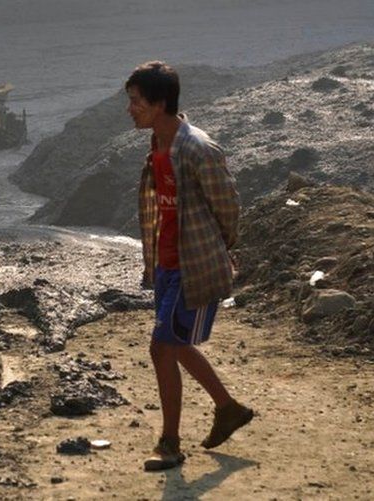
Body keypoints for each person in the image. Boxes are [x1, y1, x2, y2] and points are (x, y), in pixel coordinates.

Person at [126, 62, 253, 471]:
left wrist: (220, 250)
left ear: (159, 103)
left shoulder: (198, 148)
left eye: (136, 102)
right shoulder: (158, 147)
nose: (130, 109)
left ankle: (170, 443)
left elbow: (229, 207)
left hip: (190, 264)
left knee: (164, 344)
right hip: (164, 264)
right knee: (172, 344)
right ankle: (227, 407)